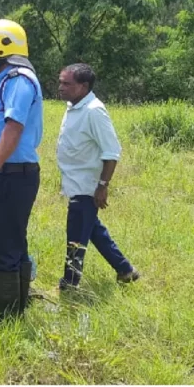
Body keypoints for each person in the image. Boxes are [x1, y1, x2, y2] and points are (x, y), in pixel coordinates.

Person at [0, 20, 44, 319]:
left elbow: (13, 128)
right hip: (7, 173)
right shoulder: (5, 79)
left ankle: (4, 317)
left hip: (12, 175)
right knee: (11, 239)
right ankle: (17, 305)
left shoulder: (19, 79)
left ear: (3, 47)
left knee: (2, 244)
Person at [55, 63, 140, 291]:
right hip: (74, 183)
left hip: (87, 186)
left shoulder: (94, 111)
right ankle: (125, 270)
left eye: (67, 83)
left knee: (76, 238)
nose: (60, 87)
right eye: (60, 82)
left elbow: (111, 152)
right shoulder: (73, 106)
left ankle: (69, 284)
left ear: (83, 86)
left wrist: (102, 185)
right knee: (91, 229)